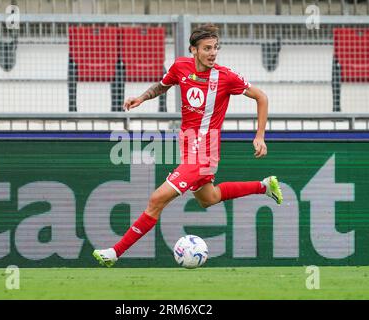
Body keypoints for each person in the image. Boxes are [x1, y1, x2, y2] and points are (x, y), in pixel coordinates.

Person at [93, 23, 283, 267]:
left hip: (205, 151)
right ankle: (264, 186)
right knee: (208, 198)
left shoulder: (225, 77)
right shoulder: (180, 66)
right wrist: (141, 97)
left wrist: (260, 136)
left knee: (156, 200)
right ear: (194, 50)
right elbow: (163, 85)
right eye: (207, 48)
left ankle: (114, 253)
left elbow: (261, 97)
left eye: (215, 48)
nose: (213, 53)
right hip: (187, 146)